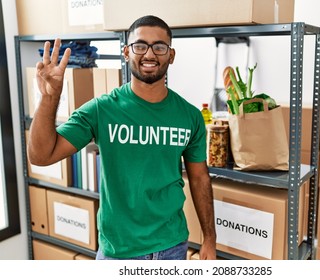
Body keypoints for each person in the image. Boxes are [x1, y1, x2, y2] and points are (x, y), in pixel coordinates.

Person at [28, 15, 216, 260]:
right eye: (140, 46)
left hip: (172, 246)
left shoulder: (190, 116)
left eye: (159, 47)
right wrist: (49, 98)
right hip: (119, 252)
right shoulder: (101, 109)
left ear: (171, 55)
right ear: (126, 52)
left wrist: (209, 240)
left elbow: (200, 178)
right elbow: (40, 156)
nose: (149, 54)